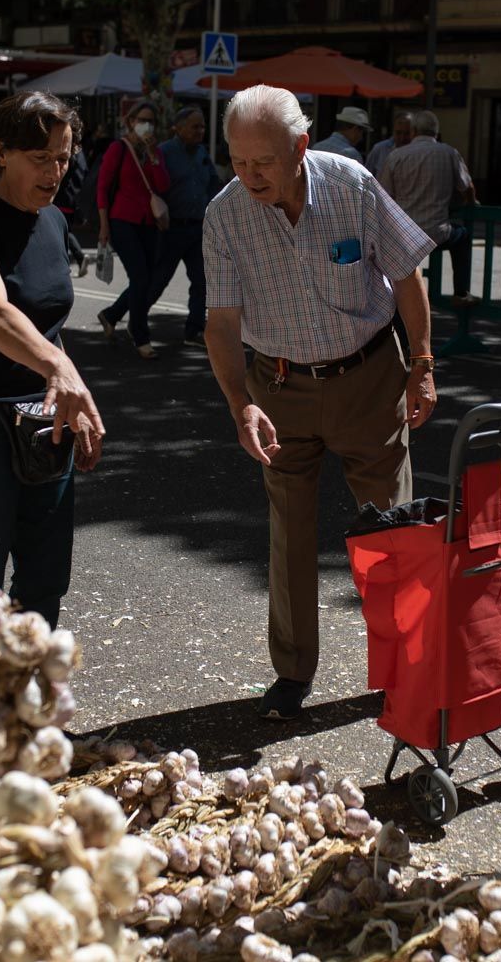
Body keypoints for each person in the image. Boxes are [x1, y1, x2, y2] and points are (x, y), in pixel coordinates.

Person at [203, 84, 438, 721]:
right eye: (238, 160)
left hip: (367, 377)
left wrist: (421, 364)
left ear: (301, 146)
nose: (250, 175)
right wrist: (238, 404)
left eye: (264, 162)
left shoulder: (352, 185)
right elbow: (221, 324)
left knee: (394, 528)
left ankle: (404, 668)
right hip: (278, 388)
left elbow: (408, 271)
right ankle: (292, 672)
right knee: (289, 534)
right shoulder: (224, 216)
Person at [0, 90, 106, 627]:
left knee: (46, 577)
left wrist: (71, 397)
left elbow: (48, 326)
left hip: (42, 422)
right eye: (40, 158)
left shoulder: (53, 222)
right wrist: (62, 372)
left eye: (63, 156)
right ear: (1, 152)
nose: (54, 171)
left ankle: (32, 692)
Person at [96, 100, 171, 358]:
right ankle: (140, 334)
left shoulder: (156, 152)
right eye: (142, 120)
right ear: (130, 122)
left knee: (146, 279)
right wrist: (104, 225)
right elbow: (103, 188)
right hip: (122, 221)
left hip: (149, 223)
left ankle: (111, 314)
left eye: (151, 121)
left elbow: (162, 186)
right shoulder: (119, 148)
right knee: (140, 277)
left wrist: (152, 158)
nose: (147, 125)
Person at [379, 110, 478, 306]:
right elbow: (467, 187)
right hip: (438, 233)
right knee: (463, 237)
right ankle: (461, 292)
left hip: (404, 235)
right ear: (436, 132)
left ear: (414, 131)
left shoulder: (396, 155)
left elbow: (383, 194)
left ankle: (390, 296)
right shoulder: (449, 153)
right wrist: (472, 203)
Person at [144, 105, 222, 347]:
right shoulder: (164, 152)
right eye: (195, 126)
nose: (200, 131)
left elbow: (213, 184)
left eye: (202, 126)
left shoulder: (201, 152)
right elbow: (152, 185)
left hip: (197, 228)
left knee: (201, 281)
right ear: (178, 128)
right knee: (158, 280)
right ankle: (128, 317)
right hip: (171, 229)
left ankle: (194, 330)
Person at [54, 134, 90, 277]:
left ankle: (79, 257)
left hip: (63, 197)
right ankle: (74, 260)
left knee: (63, 231)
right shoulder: (81, 155)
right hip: (73, 197)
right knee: (64, 229)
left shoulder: (70, 154)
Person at [365, 111, 414, 181]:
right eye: (398, 133)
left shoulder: (418, 154)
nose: (402, 138)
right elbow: (367, 177)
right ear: (393, 130)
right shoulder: (379, 149)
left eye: (407, 133)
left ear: (413, 132)